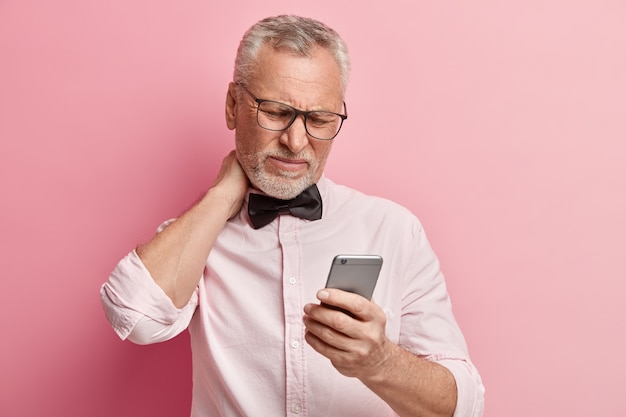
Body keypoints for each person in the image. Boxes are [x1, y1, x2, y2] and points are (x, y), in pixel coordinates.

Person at [100, 14, 485, 417]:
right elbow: (134, 317)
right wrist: (222, 195)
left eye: (319, 120)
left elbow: (463, 407)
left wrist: (380, 362)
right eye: (275, 112)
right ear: (233, 106)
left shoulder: (394, 229)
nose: (296, 141)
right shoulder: (197, 235)